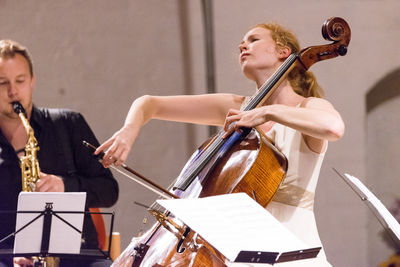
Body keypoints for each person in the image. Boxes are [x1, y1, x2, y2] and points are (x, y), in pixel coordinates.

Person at [96, 22, 344, 266]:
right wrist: (129, 130)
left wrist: (269, 112)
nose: (242, 46)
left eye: (253, 39)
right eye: (242, 43)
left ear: (283, 52)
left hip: (291, 247)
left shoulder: (309, 107)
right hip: (231, 247)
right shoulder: (238, 107)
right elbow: (148, 103)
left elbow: (333, 127)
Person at [0, 40, 119, 267]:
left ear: (32, 82)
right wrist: (10, 256)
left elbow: (109, 191)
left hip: (79, 257)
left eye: (20, 81)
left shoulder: (68, 124)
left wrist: (64, 185)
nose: (12, 91)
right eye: (2, 82)